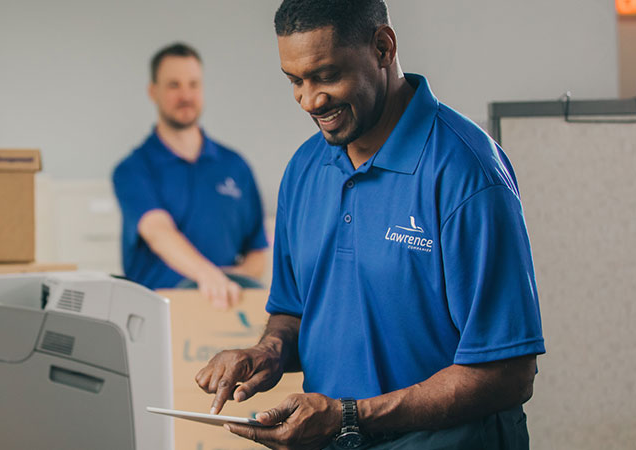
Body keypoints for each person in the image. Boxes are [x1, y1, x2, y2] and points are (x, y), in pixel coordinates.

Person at [194, 1, 545, 449]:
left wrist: (348, 417)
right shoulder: (304, 169)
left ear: (383, 47)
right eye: (295, 81)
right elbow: (295, 310)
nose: (309, 100)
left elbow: (509, 374)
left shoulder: (466, 173)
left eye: (325, 76)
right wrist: (269, 352)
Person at [112, 43, 269, 309]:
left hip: (223, 314)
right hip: (157, 315)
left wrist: (228, 283)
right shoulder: (133, 169)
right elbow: (159, 232)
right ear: (153, 92)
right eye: (174, 85)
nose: (186, 95)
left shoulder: (235, 166)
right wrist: (208, 276)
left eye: (193, 84)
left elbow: (258, 252)